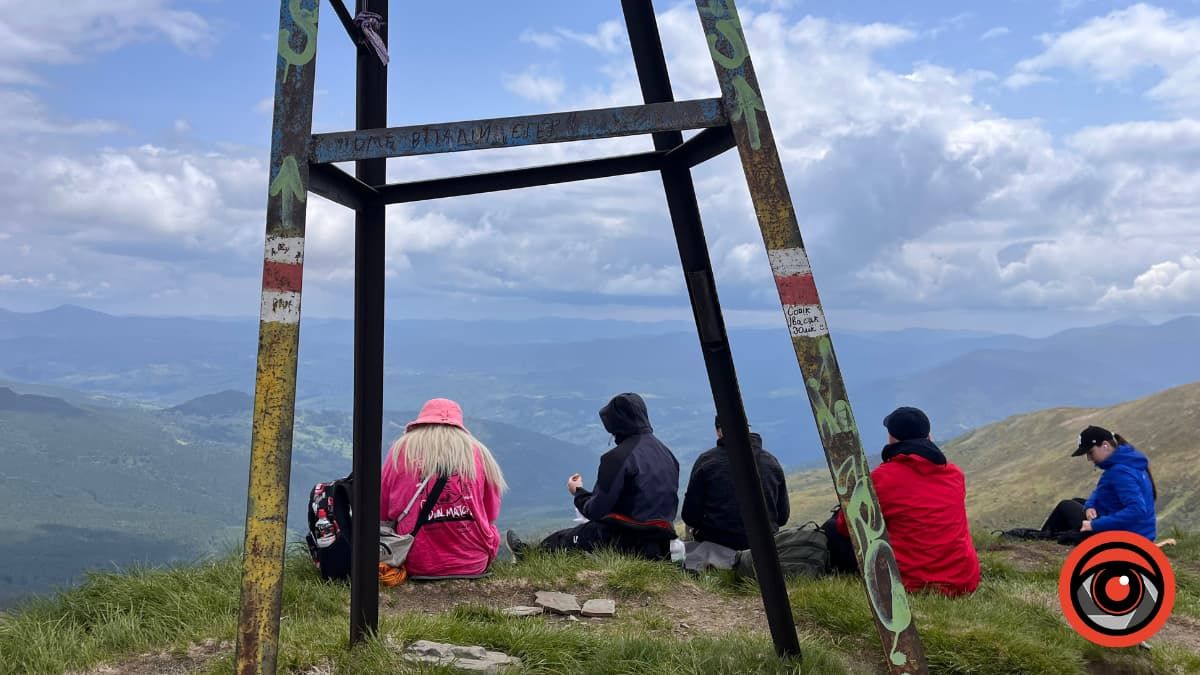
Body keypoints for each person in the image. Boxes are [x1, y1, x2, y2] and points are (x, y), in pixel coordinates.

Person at [506, 392, 680, 560]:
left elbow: (596, 511)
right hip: (661, 543)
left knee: (563, 539)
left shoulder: (617, 458)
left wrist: (578, 492)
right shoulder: (667, 454)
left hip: (626, 539)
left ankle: (527, 556)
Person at [828, 406, 980, 596]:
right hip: (963, 581)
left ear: (892, 438)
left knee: (832, 529)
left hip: (912, 583)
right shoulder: (954, 474)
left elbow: (845, 527)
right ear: (929, 436)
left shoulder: (881, 479)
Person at [380, 398, 507, 577]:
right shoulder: (478, 453)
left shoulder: (402, 451)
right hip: (474, 562)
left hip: (415, 561)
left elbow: (384, 510)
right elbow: (490, 513)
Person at [681, 415, 789, 550]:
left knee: (689, 531)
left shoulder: (706, 461)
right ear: (748, 428)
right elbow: (782, 517)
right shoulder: (771, 462)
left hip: (717, 545)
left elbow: (690, 516)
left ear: (718, 431)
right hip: (765, 548)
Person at [1046, 425, 1157, 541]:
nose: (1089, 458)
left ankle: (1043, 538)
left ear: (1105, 446)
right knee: (1076, 502)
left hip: (1127, 537)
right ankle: (1054, 537)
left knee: (1065, 506)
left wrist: (1093, 525)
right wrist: (1090, 506)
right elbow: (1100, 491)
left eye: (1090, 452)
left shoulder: (1120, 472)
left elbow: (1137, 510)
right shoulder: (1129, 462)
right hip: (1140, 533)